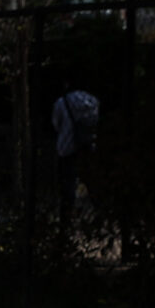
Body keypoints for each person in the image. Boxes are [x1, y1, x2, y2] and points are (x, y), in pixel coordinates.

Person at [51, 86, 99, 236]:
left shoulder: (62, 102)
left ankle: (66, 222)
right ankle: (94, 217)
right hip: (86, 149)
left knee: (66, 188)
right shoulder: (92, 102)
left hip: (66, 149)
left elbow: (56, 123)